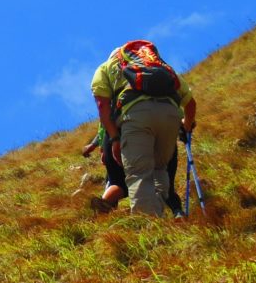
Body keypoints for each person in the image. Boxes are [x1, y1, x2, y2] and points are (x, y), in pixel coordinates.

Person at [90, 40, 197, 217]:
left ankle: (147, 224)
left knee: (139, 173)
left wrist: (115, 138)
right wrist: (186, 125)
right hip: (171, 115)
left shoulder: (105, 68)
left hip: (136, 115)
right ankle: (159, 213)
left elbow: (103, 106)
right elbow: (190, 103)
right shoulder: (158, 65)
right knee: (160, 169)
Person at [83, 125, 126, 213]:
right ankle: (102, 207)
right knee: (123, 183)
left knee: (113, 181)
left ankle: (105, 210)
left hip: (109, 140)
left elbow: (104, 124)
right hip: (121, 137)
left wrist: (97, 145)